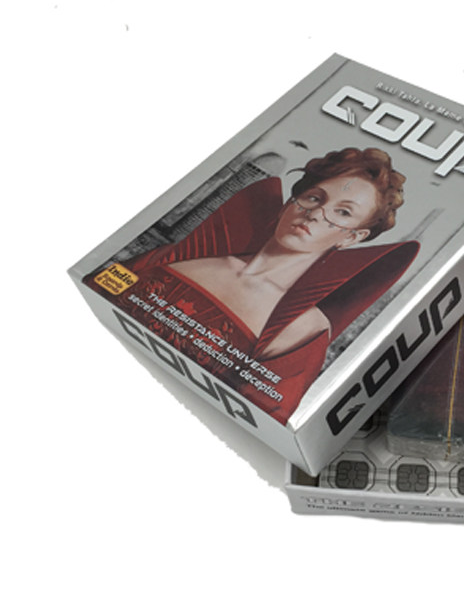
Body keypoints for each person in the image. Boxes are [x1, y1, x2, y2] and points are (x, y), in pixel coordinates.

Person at [90, 147, 419, 423]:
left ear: (352, 238)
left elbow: (257, 418)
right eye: (313, 198)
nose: (317, 214)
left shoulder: (303, 330)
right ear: (290, 203)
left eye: (343, 213)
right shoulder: (179, 256)